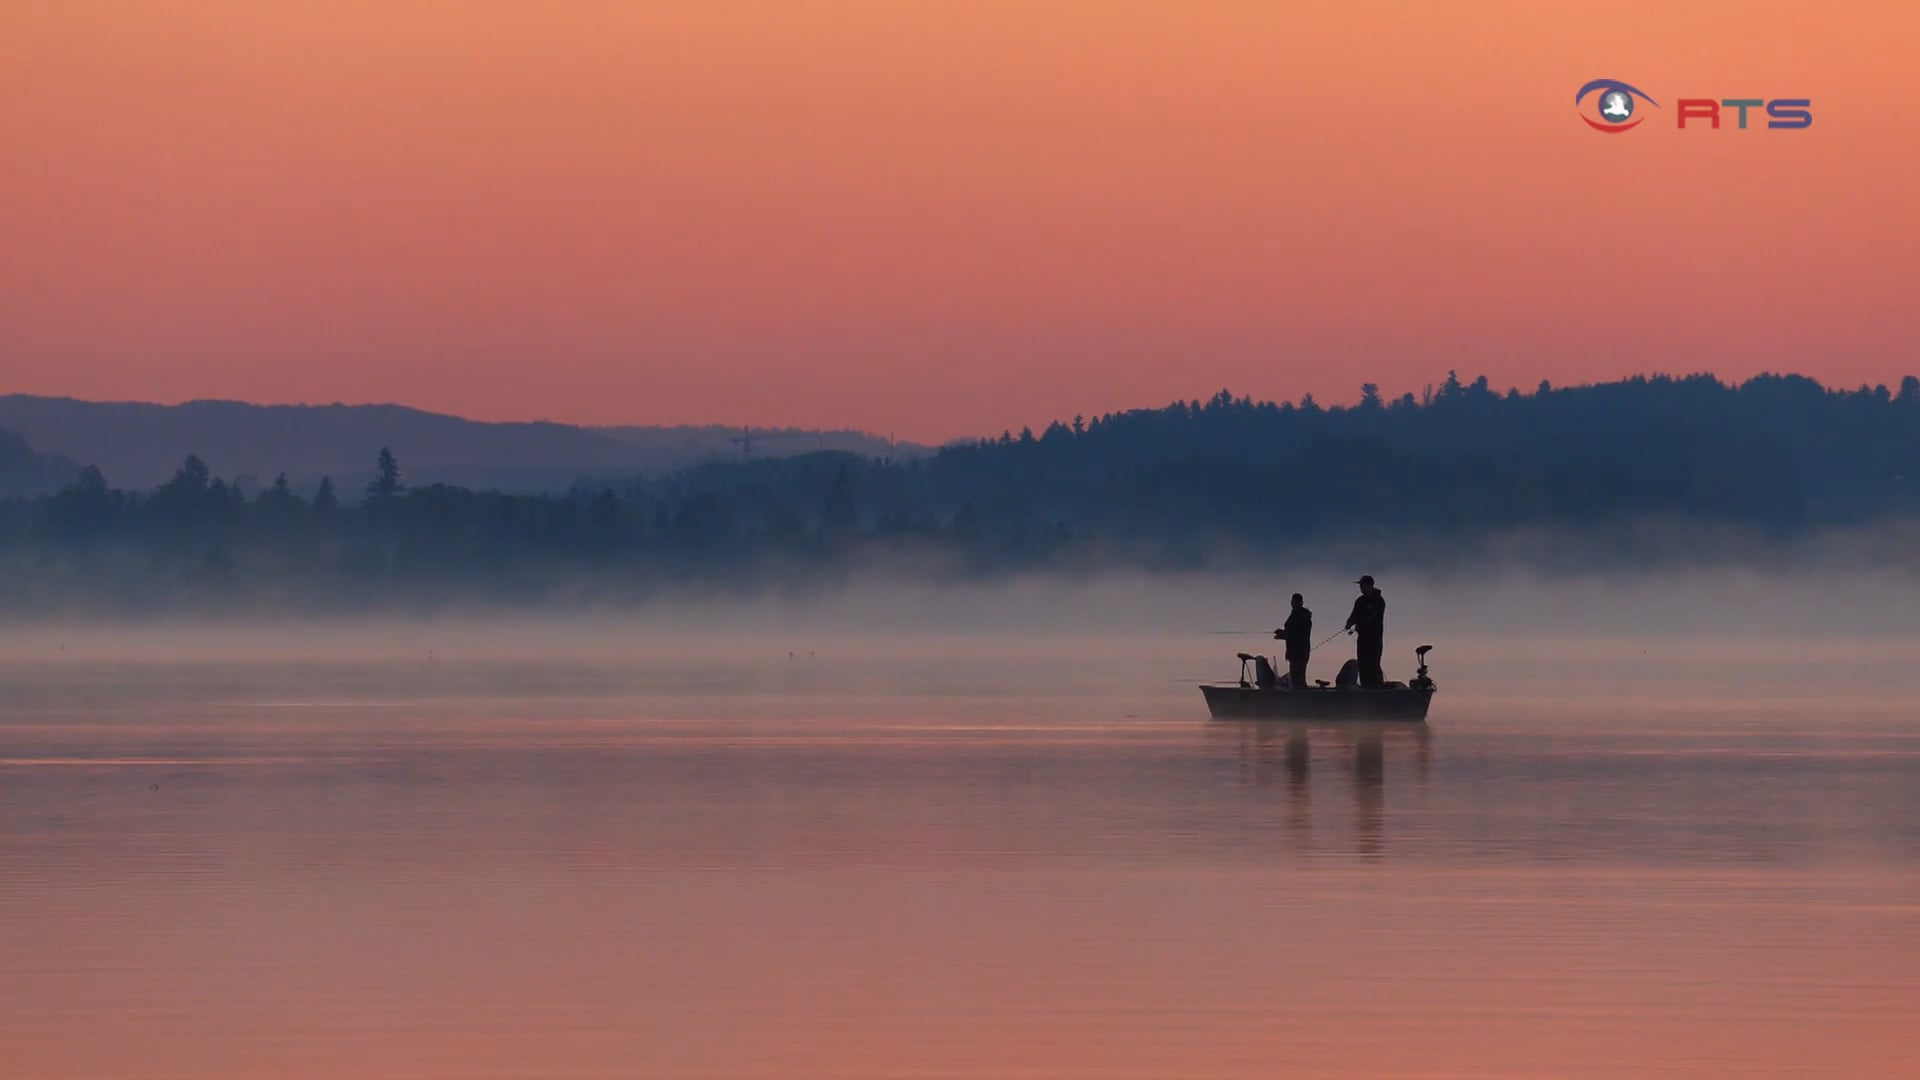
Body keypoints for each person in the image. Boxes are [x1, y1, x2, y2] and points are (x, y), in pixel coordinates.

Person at [1345, 575, 1386, 688]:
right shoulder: (1360, 601)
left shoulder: (1378, 601)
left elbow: (1371, 616)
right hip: (1362, 638)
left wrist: (1360, 624)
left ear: (1370, 585)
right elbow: (1354, 614)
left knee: (1373, 664)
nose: (1361, 588)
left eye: (1363, 586)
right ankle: (1366, 687)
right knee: (1362, 663)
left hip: (1374, 639)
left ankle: (1377, 687)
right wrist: (1349, 622)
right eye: (1360, 586)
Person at [1274, 593, 1312, 689]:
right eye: (1292, 601)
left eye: (1296, 601)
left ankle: (1301, 698)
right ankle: (1300, 695)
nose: (1293, 603)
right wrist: (1282, 634)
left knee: (1298, 677)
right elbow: (1292, 633)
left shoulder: (1302, 616)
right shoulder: (1295, 615)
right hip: (1295, 651)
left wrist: (1282, 634)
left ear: (1301, 603)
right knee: (1296, 677)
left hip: (1299, 652)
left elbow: (1298, 635)